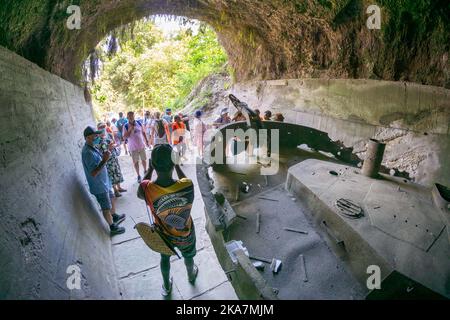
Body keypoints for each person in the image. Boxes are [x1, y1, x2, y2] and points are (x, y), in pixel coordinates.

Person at [137, 144, 198, 296]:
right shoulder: (187, 185)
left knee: (164, 258)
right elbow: (183, 179)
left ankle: (166, 285)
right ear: (174, 162)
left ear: (153, 164)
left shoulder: (148, 189)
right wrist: (177, 165)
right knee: (188, 256)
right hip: (186, 234)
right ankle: (191, 275)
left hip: (164, 236)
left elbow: (140, 191)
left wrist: (150, 169)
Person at [81, 126, 126, 236]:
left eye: (97, 134)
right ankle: (112, 227)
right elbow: (93, 172)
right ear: (87, 137)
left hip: (104, 181)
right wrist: (105, 160)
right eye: (94, 135)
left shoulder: (93, 147)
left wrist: (107, 154)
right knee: (105, 207)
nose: (97, 136)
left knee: (111, 198)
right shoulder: (87, 152)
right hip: (99, 185)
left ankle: (114, 216)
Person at [97, 122, 127, 197]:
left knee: (117, 172)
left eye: (104, 127)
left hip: (113, 157)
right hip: (107, 160)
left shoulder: (108, 135)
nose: (103, 129)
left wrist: (114, 145)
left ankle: (119, 187)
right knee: (111, 175)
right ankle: (115, 190)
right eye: (101, 128)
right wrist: (109, 148)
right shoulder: (98, 140)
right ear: (98, 129)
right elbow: (100, 151)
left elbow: (113, 142)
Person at [123, 111, 149, 183]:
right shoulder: (125, 126)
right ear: (127, 117)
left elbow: (143, 132)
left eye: (132, 115)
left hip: (141, 145)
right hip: (133, 147)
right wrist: (130, 129)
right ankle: (138, 175)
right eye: (129, 116)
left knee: (144, 159)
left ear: (134, 116)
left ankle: (145, 171)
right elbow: (124, 137)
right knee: (135, 162)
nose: (131, 117)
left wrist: (146, 141)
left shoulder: (139, 123)